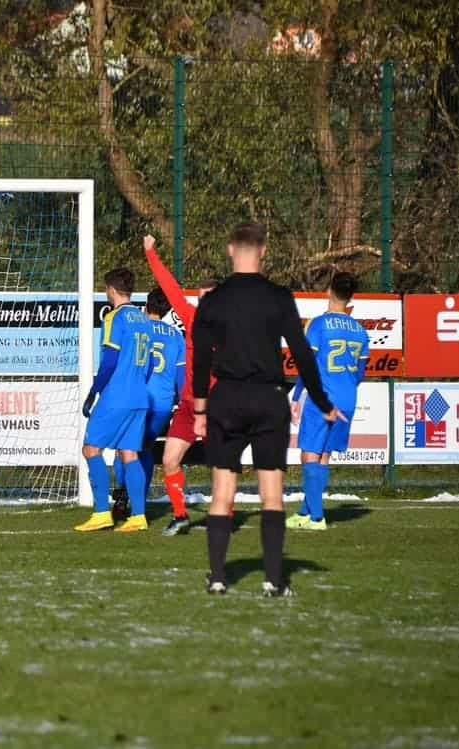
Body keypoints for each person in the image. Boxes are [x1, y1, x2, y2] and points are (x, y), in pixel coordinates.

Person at [192, 223, 344, 596]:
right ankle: (274, 580)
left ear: (231, 249)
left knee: (222, 492)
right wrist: (322, 402)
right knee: (272, 494)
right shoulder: (278, 297)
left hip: (226, 398)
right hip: (268, 398)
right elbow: (302, 353)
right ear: (263, 250)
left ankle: (217, 578)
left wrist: (199, 411)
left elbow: (200, 361)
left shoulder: (212, 300)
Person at [143, 234, 218, 533]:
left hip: (217, 407)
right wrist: (151, 253)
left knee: (221, 465)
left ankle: (224, 516)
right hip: (188, 405)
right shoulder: (191, 317)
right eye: (202, 297)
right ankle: (180, 515)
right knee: (170, 459)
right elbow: (169, 287)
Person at [288, 271, 370, 531]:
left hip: (321, 398)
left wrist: (297, 395)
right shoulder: (360, 331)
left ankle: (316, 517)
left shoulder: (318, 324)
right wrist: (344, 388)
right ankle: (305, 512)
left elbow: (308, 364)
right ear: (351, 297)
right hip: (347, 399)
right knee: (323, 454)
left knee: (309, 454)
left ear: (329, 291)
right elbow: (360, 372)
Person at [75, 268, 153, 534]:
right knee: (130, 453)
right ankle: (139, 516)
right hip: (140, 396)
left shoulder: (114, 317)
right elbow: (149, 363)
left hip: (117, 395)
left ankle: (101, 513)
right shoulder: (143, 319)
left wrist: (94, 391)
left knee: (91, 449)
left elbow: (109, 361)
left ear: (111, 289)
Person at [142, 288, 187, 534]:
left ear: (146, 306)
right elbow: (181, 375)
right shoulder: (176, 336)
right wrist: (180, 400)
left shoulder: (139, 329)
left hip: (139, 399)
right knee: (146, 448)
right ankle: (139, 499)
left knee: (126, 449)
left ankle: (128, 499)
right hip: (163, 402)